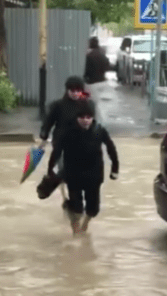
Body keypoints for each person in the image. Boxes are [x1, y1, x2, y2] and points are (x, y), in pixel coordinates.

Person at [48, 99, 119, 236]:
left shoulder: (99, 130)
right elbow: (57, 151)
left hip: (94, 175)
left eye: (89, 117)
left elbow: (111, 148)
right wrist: (50, 169)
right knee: (77, 207)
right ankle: (75, 224)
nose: (86, 120)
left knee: (93, 209)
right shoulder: (67, 131)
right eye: (82, 117)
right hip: (73, 174)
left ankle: (84, 225)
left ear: (92, 117)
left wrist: (115, 168)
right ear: (76, 117)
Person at [39, 76, 91, 200]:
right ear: (67, 90)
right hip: (60, 144)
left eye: (77, 91)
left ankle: (73, 198)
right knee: (65, 170)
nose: (75, 93)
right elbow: (48, 122)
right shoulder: (58, 105)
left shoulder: (86, 105)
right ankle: (64, 197)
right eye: (72, 90)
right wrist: (44, 138)